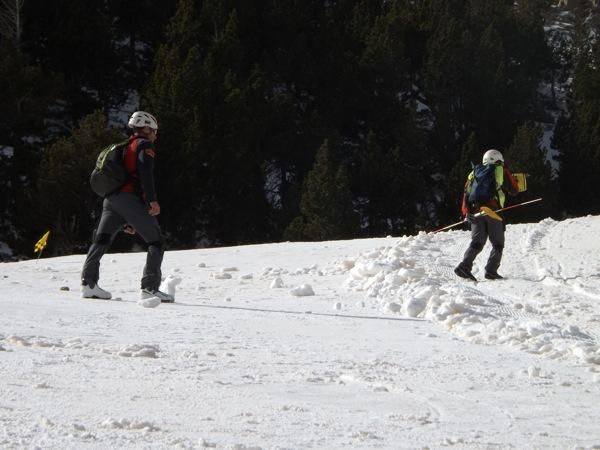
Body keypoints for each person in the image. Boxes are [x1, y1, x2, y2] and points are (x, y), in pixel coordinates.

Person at [81, 111, 173, 302]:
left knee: (101, 240)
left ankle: (89, 284)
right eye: (154, 131)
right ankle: (150, 288)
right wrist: (152, 200)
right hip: (129, 199)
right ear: (146, 128)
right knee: (156, 242)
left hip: (111, 200)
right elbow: (145, 173)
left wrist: (128, 218)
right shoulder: (144, 145)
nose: (155, 136)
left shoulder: (121, 146)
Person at [454, 149, 519, 281]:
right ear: (498, 160)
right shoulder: (500, 170)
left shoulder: (473, 173)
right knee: (498, 243)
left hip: (474, 211)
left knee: (477, 242)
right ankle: (491, 271)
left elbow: (466, 194)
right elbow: (514, 190)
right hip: (492, 210)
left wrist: (466, 213)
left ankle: (464, 267)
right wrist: (515, 180)